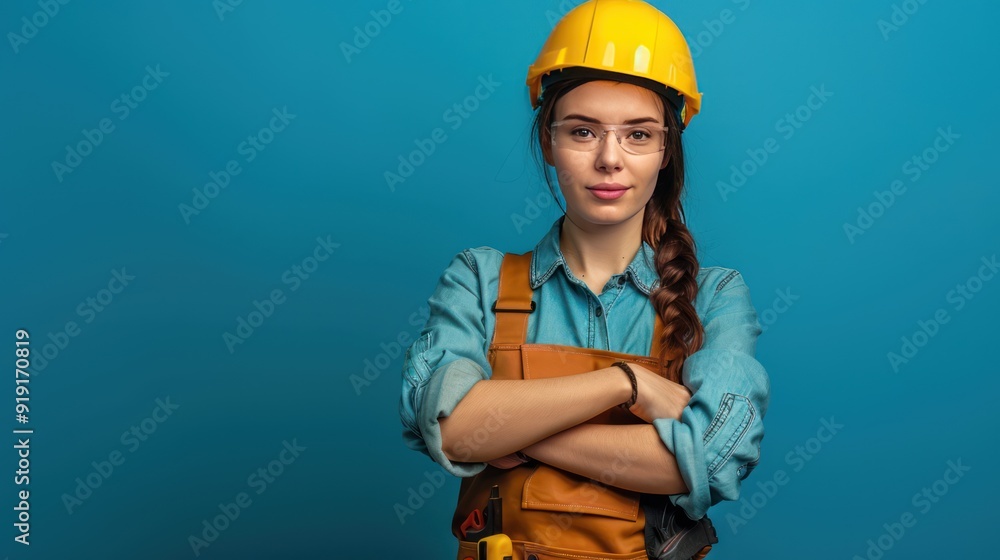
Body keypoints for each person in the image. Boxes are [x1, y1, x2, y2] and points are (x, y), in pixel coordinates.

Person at [398, 1, 770, 558]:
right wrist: (627, 384)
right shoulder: (479, 279)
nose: (609, 160)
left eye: (638, 135)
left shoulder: (715, 296)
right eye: (582, 131)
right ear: (548, 142)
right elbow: (454, 430)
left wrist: (517, 429)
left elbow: (708, 461)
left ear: (666, 150)